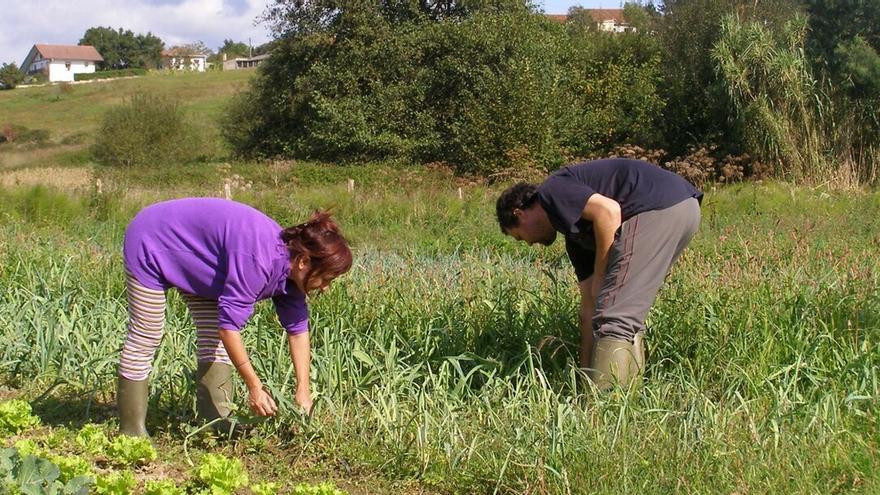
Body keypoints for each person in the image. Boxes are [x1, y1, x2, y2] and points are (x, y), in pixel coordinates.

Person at [118, 198, 352, 437]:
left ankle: (214, 423)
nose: (325, 288)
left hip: (200, 259)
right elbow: (229, 329)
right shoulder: (260, 260)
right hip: (152, 238)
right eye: (326, 278)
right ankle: (131, 431)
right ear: (304, 262)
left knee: (212, 338)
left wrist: (303, 391)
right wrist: (254, 387)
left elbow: (298, 331)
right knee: (147, 333)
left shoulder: (292, 276)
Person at [495, 158, 702, 389]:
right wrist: (583, 376)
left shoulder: (551, 191)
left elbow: (608, 211)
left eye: (520, 237)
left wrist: (602, 274)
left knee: (615, 317)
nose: (529, 243)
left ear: (519, 214)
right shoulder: (577, 238)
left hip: (655, 208)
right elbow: (588, 309)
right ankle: (619, 398)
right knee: (625, 315)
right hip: (684, 208)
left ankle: (604, 410)